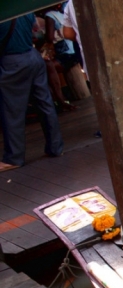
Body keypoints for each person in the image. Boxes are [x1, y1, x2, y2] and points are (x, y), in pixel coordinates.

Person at [0, 14, 64, 172]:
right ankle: (56, 147)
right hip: (32, 56)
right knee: (45, 103)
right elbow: (35, 27)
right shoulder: (23, 10)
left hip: (12, 62)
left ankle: (14, 157)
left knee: (12, 110)